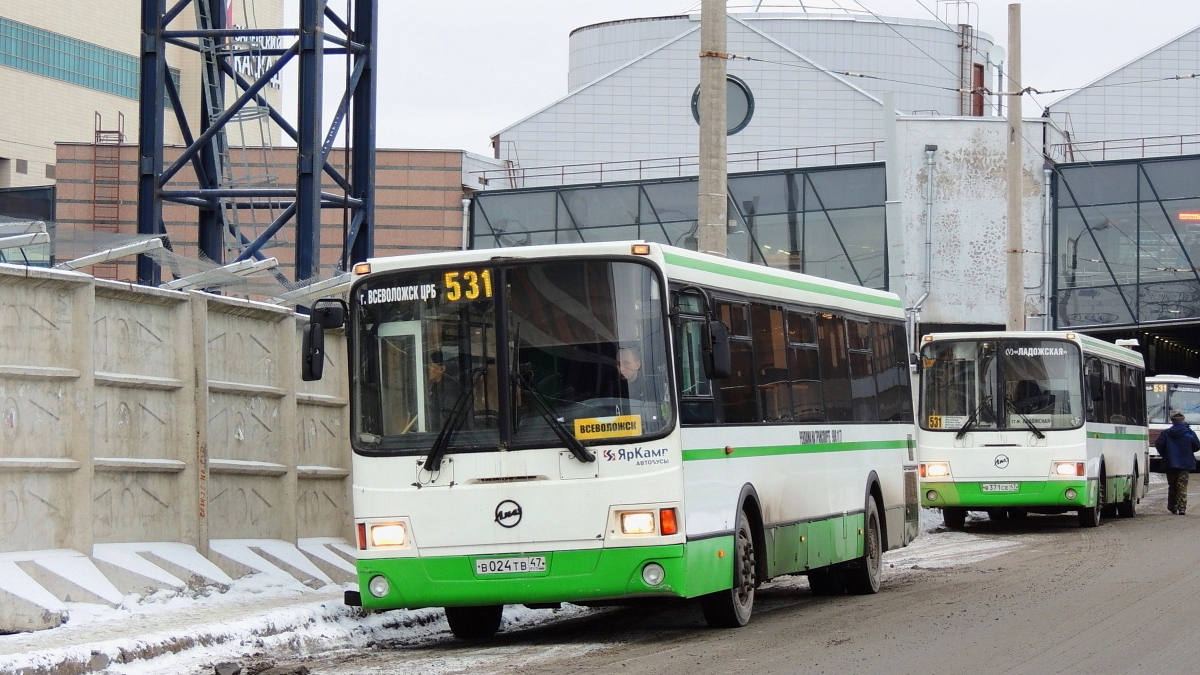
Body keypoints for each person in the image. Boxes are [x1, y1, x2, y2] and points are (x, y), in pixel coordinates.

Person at [1155, 411, 1200, 515]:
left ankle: (1172, 507)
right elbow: (1197, 446)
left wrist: (1166, 454)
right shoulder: (1189, 432)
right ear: (1183, 420)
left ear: (1172, 421)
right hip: (1186, 462)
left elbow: (1159, 445)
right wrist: (1188, 451)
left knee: (1172, 485)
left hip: (1170, 463)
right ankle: (1182, 507)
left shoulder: (1166, 433)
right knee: (1182, 485)